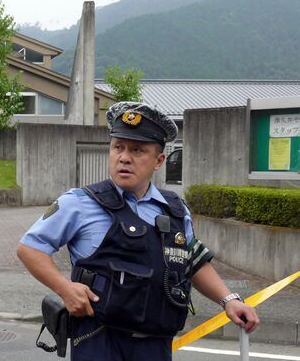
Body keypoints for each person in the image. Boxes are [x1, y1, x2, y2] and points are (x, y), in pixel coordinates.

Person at [17, 102, 259, 361]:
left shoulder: (175, 210)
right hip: (99, 341)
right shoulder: (79, 202)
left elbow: (193, 262)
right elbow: (30, 248)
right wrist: (65, 288)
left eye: (137, 150)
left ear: (159, 160)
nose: (124, 157)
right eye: (117, 147)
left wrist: (230, 300)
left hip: (156, 344)